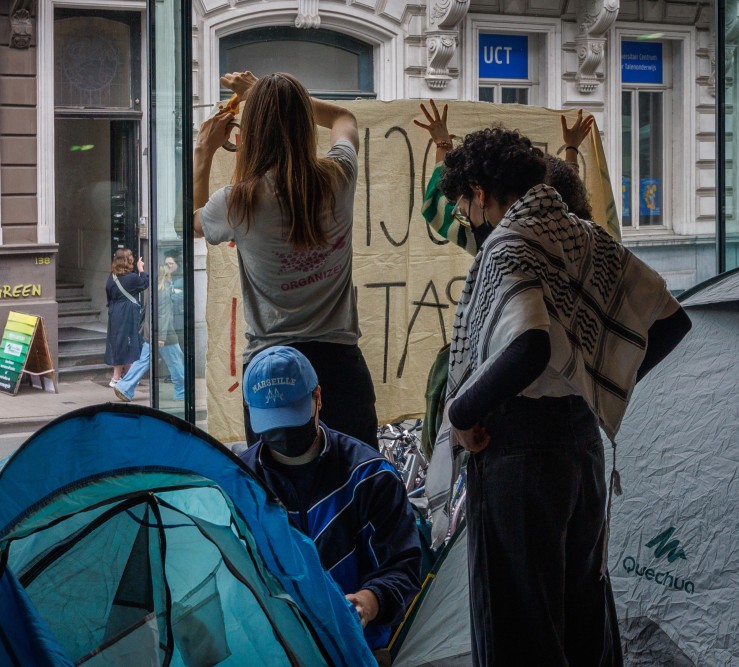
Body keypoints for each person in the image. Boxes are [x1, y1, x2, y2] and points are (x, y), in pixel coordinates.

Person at [435, 126, 691, 666]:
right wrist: (593, 385)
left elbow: (530, 343)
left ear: (480, 193)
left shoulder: (511, 244)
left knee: (522, 633)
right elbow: (670, 323)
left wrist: (462, 412)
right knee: (582, 623)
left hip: (516, 455)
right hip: (580, 445)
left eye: (464, 209)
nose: (468, 221)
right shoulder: (582, 236)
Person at [192, 70, 379, 448]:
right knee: (355, 491)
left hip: (270, 373)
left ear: (253, 130)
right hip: (340, 366)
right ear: (304, 125)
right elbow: (344, 118)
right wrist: (268, 93)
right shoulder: (339, 175)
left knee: (278, 494)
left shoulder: (237, 201)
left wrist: (204, 150)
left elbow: (192, 224)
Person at [238, 346, 421, 651]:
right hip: (272, 649)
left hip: (359, 648)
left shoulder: (369, 476)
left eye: (292, 418)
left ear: (318, 398)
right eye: (272, 422)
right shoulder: (240, 483)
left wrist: (367, 603)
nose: (283, 433)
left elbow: (403, 568)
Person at [417, 103, 596, 251]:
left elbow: (435, 205)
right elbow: (569, 183)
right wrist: (572, 149)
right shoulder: (590, 242)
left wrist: (443, 144)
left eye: (462, 212)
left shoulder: (496, 247)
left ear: (481, 195)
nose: (464, 216)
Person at [113, 263, 185, 403]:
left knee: (142, 361)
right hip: (165, 336)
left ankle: (124, 387)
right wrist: (162, 338)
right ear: (166, 275)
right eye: (170, 273)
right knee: (177, 363)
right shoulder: (163, 292)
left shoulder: (155, 290)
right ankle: (181, 391)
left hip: (151, 333)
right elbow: (163, 316)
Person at [104, 248, 148, 386]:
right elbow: (145, 283)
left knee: (118, 342)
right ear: (128, 261)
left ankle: (124, 376)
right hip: (128, 312)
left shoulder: (112, 277)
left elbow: (109, 295)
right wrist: (141, 269)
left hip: (115, 312)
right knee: (130, 342)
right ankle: (118, 378)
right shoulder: (132, 278)